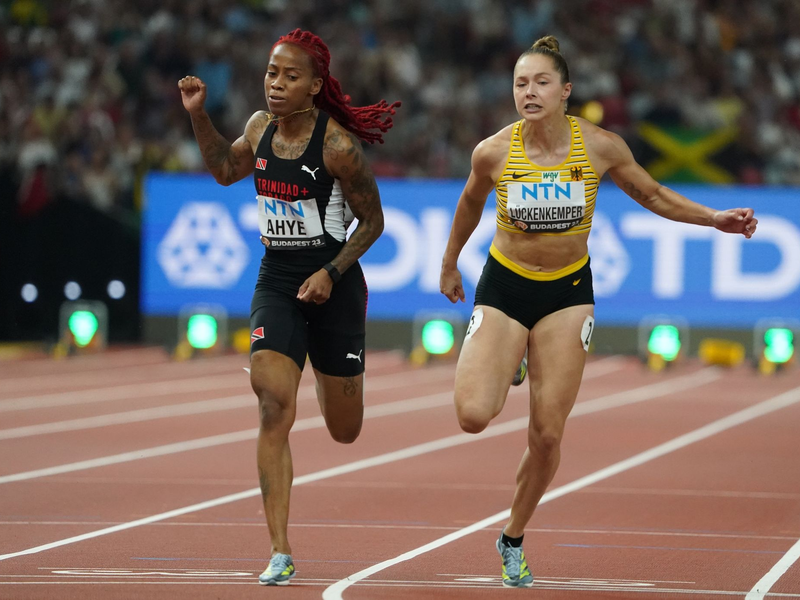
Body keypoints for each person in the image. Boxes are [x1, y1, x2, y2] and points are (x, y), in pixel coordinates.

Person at [439, 35, 756, 588]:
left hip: (567, 293)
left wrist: (713, 218)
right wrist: (449, 265)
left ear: (566, 91)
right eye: (520, 83)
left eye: (541, 83)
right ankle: (510, 353)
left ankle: (512, 535)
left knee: (547, 436)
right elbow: (470, 202)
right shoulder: (493, 151)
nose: (529, 92)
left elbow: (653, 194)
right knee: (471, 415)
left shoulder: (601, 146)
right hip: (505, 285)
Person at [179, 28, 399, 586]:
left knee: (344, 431)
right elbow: (226, 171)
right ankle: (280, 550)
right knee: (273, 404)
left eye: (290, 76)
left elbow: (373, 222)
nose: (276, 85)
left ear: (315, 86)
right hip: (276, 281)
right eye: (272, 73)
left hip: (335, 288)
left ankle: (327, 371)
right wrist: (198, 115)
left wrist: (331, 271)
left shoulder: (338, 147)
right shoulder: (258, 129)